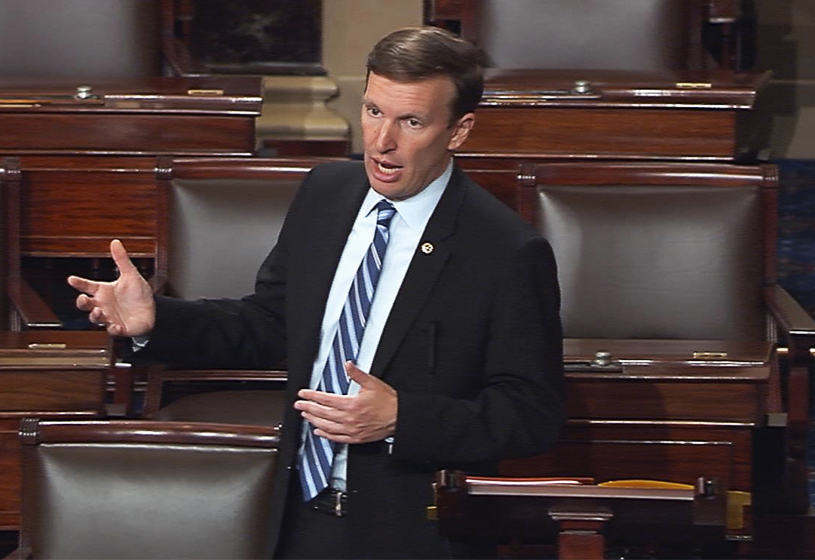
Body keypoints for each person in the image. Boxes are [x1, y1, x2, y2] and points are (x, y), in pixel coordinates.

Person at [68, 26, 564, 559]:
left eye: (411, 121)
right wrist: (158, 320)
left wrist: (403, 418)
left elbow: (529, 414)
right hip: (298, 513)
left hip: (408, 531)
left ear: (459, 130)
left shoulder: (505, 251)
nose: (382, 141)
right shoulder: (327, 193)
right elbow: (271, 323)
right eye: (373, 111)